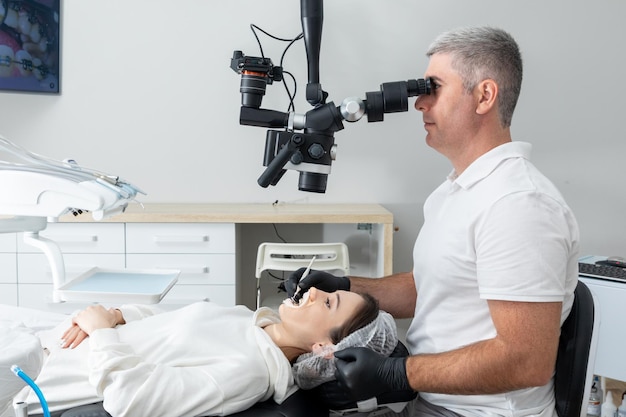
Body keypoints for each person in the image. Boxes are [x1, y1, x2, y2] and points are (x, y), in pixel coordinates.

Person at [286, 26, 580, 417]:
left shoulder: (518, 206)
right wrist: (342, 284)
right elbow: (431, 287)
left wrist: (397, 374)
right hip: (432, 403)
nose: (420, 103)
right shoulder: (457, 191)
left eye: (434, 87)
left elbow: (526, 360)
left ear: (484, 96)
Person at [11, 288, 392, 417]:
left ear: (325, 348)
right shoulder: (248, 319)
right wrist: (115, 315)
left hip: (33, 380)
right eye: (325, 292)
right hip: (50, 337)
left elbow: (133, 401)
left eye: (327, 304)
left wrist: (101, 332)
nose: (312, 292)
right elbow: (165, 320)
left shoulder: (249, 370)